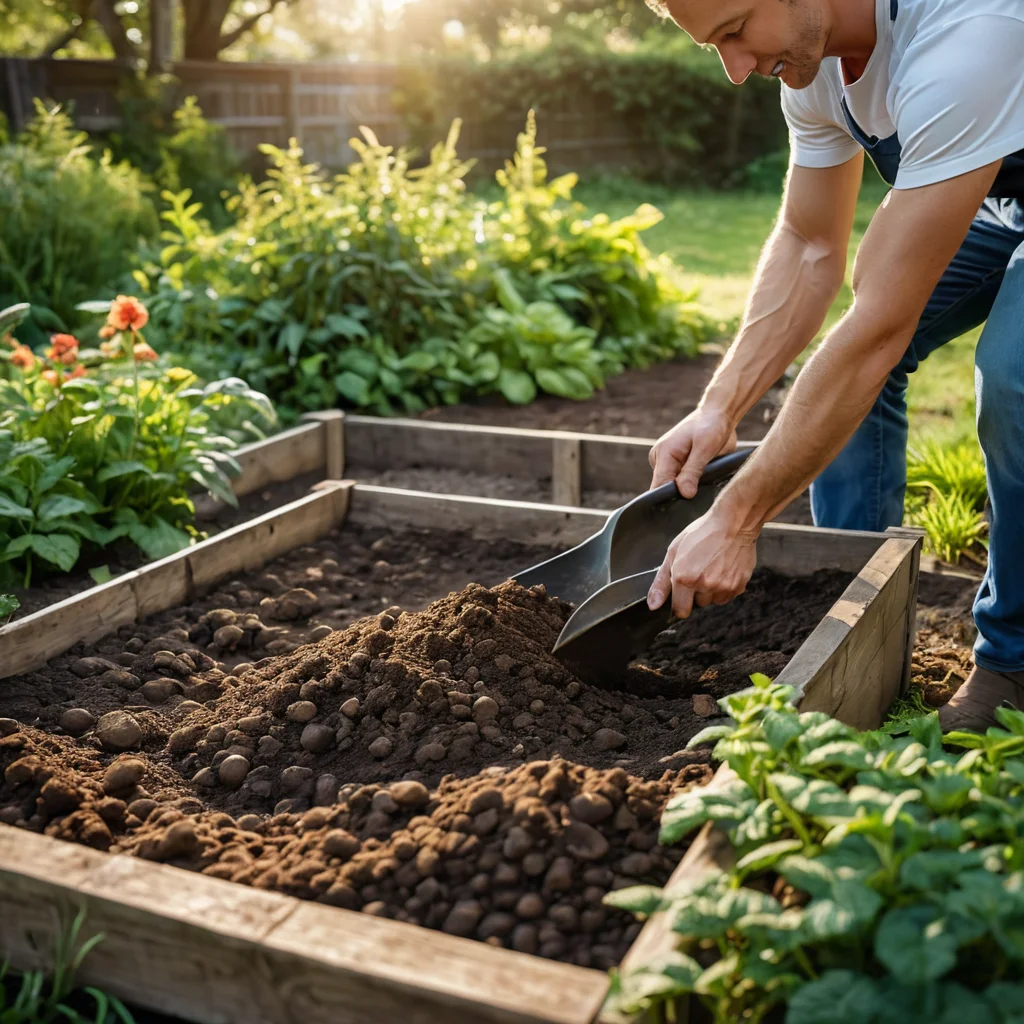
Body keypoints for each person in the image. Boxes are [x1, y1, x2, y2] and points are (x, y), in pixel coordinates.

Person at [642, 0, 1024, 731]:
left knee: (1013, 377)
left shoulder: (970, 38)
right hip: (1000, 195)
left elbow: (880, 327)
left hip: (998, 154)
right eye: (712, 47)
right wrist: (719, 408)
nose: (735, 70)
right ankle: (858, 616)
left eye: (734, 31)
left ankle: (1013, 661)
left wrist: (737, 518)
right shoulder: (813, 69)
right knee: (840, 375)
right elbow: (809, 242)